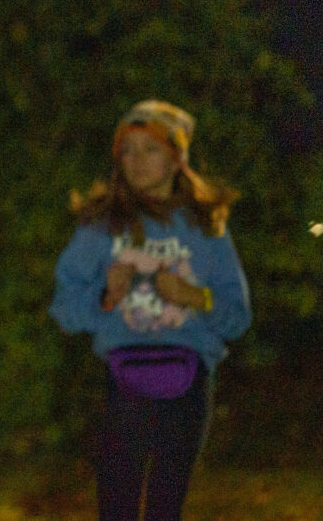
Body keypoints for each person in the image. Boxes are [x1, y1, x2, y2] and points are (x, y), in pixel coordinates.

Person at [49, 100, 251, 521]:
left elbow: (237, 316)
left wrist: (194, 296)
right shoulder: (102, 226)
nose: (136, 161)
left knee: (165, 507)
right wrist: (106, 295)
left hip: (189, 382)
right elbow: (65, 308)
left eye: (150, 149)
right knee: (117, 505)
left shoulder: (205, 225)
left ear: (177, 159)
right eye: (127, 150)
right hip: (125, 381)